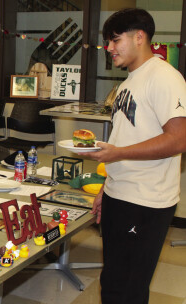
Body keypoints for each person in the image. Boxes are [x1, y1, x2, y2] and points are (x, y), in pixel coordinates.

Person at [79, 8, 186, 304]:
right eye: (107, 42)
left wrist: (118, 153)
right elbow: (127, 137)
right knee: (112, 281)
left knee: (129, 288)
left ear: (139, 37)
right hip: (120, 195)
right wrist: (107, 186)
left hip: (145, 202)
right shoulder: (128, 83)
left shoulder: (164, 77)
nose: (109, 48)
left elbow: (179, 138)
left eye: (115, 40)